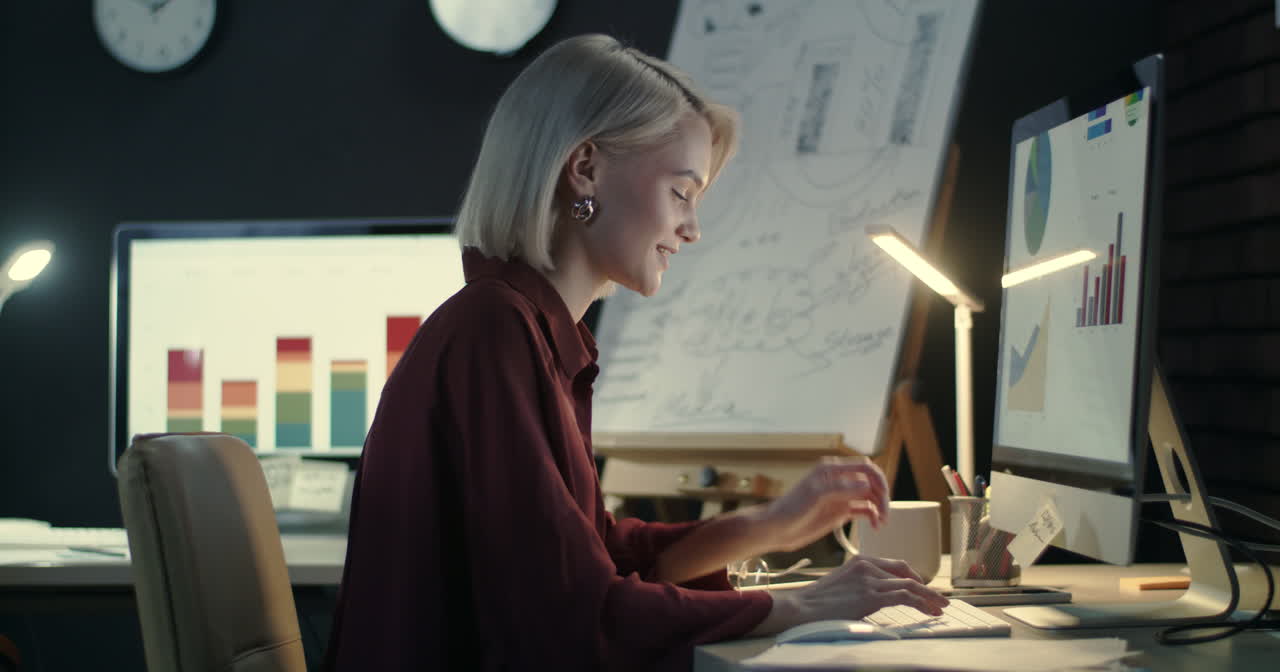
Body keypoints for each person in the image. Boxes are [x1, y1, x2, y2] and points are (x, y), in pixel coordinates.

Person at [322, 33, 947, 672]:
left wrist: (768, 525)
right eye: (682, 192)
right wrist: (799, 607)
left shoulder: (523, 327)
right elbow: (572, 616)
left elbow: (594, 553)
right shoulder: (495, 332)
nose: (692, 228)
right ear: (585, 168)